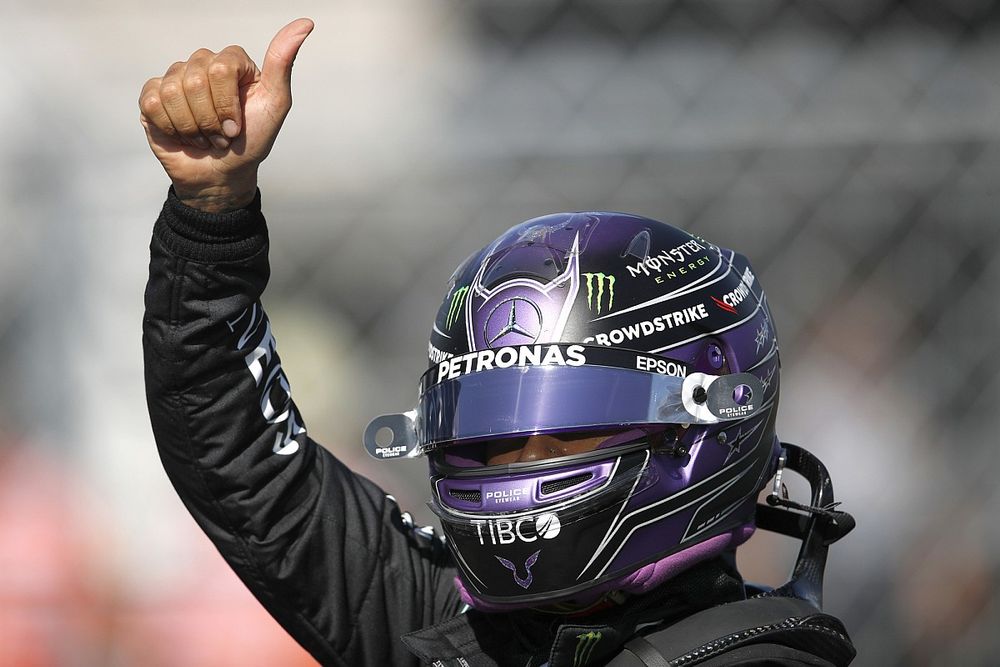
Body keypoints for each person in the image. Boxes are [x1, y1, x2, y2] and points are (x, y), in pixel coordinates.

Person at [140, 18, 857, 666]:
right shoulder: (453, 629)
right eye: (488, 437)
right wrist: (211, 215)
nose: (520, 463)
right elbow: (245, 469)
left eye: (567, 428)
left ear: (694, 425)